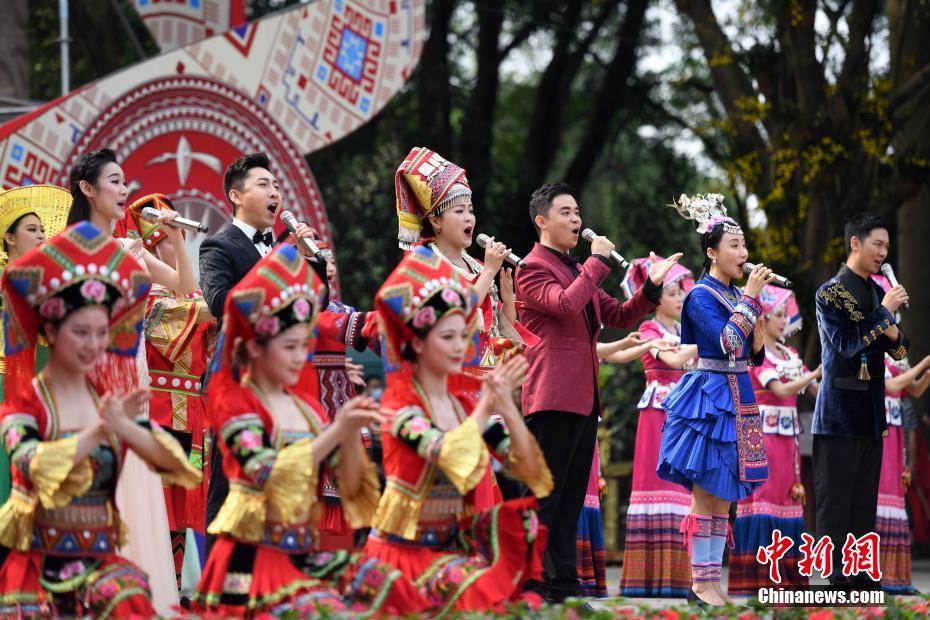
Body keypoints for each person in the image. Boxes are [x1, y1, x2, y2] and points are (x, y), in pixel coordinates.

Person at [192, 244, 422, 615]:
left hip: (298, 554)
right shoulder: (238, 405)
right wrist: (337, 431)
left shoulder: (306, 409)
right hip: (250, 562)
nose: (301, 357)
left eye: (305, 346)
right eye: (290, 346)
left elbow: (354, 491)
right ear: (254, 347)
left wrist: (349, 434)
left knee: (390, 586)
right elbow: (267, 473)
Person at [0, 222, 200, 617]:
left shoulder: (103, 403)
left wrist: (134, 431)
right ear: (52, 332)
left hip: (101, 560)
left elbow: (180, 472)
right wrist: (101, 432)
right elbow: (32, 463)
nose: (93, 345)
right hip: (42, 561)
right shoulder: (31, 403)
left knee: (131, 598)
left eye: (100, 333)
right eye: (81, 332)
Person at [515, 182, 682, 603]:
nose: (577, 220)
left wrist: (650, 289)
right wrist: (595, 263)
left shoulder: (575, 268)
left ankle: (564, 588)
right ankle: (533, 585)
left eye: (577, 212)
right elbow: (566, 305)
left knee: (570, 500)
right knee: (546, 497)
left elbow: (619, 315)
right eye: (567, 212)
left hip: (584, 398)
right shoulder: (532, 268)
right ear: (542, 221)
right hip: (551, 395)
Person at [363, 246, 553, 614]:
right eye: (447, 337)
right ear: (417, 343)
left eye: (462, 335)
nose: (460, 347)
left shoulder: (464, 406)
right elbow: (447, 453)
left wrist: (508, 409)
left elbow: (531, 473)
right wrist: (486, 407)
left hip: (451, 553)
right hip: (402, 558)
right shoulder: (400, 409)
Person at [67, 148, 198, 611]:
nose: (125, 191)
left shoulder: (132, 249)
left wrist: (176, 238)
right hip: (90, 384)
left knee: (135, 489)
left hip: (133, 381)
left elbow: (185, 285)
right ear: (88, 189)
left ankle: (136, 599)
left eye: (126, 183)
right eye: (116, 182)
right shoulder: (66, 251)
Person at [657, 193, 775, 606]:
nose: (743, 253)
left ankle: (712, 584)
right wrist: (750, 298)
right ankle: (699, 583)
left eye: (744, 245)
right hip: (709, 396)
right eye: (735, 246)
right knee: (706, 489)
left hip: (739, 394)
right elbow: (725, 343)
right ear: (712, 252)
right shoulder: (701, 296)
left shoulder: (733, 295)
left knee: (724, 491)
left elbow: (750, 353)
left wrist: (755, 325)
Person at [199, 152, 318, 556]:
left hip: (286, 383)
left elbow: (317, 305)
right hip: (239, 383)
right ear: (236, 195)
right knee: (231, 483)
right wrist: (280, 267)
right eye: (264, 185)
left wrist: (309, 263)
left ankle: (278, 575)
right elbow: (220, 301)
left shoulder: (284, 249)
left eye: (278, 186)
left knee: (283, 483)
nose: (276, 194)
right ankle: (221, 583)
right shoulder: (219, 245)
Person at [121, 193, 217, 595]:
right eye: (162, 244)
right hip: (159, 412)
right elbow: (203, 310)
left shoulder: (179, 296)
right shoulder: (151, 302)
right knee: (158, 511)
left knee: (177, 514)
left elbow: (196, 301)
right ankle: (154, 591)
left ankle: (173, 591)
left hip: (187, 414)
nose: (170, 253)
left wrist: (179, 239)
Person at [812, 214, 909, 590]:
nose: (884, 254)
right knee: (835, 503)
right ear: (855, 243)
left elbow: (899, 350)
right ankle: (835, 580)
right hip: (837, 416)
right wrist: (885, 312)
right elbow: (848, 344)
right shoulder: (830, 292)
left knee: (863, 504)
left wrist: (892, 325)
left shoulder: (874, 292)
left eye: (887, 247)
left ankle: (860, 576)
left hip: (871, 414)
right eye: (877, 245)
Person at [727, 285, 821, 596]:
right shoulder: (757, 355)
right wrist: (814, 374)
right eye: (777, 315)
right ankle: (758, 579)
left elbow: (814, 391)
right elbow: (780, 390)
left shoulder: (790, 354)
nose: (784, 321)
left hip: (787, 441)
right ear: (762, 319)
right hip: (761, 437)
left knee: (787, 500)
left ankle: (787, 580)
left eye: (785, 315)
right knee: (764, 499)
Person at [617, 256, 698, 599]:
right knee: (661, 484)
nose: (679, 298)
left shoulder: (680, 331)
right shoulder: (650, 329)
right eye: (672, 292)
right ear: (656, 298)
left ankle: (681, 577)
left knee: (684, 489)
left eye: (681, 292)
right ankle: (652, 577)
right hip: (660, 411)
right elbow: (675, 361)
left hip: (683, 412)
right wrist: (710, 340)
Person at [0, 185, 71, 505]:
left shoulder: (52, 284)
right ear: (9, 238)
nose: (41, 235)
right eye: (32, 229)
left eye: (43, 229)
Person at [871, 274, 930, 593]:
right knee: (879, 497)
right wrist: (922, 365)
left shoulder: (896, 350)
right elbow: (889, 385)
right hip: (876, 429)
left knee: (895, 496)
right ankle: (875, 575)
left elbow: (912, 391)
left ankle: (896, 577)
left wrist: (924, 374)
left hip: (895, 431)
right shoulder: (869, 343)